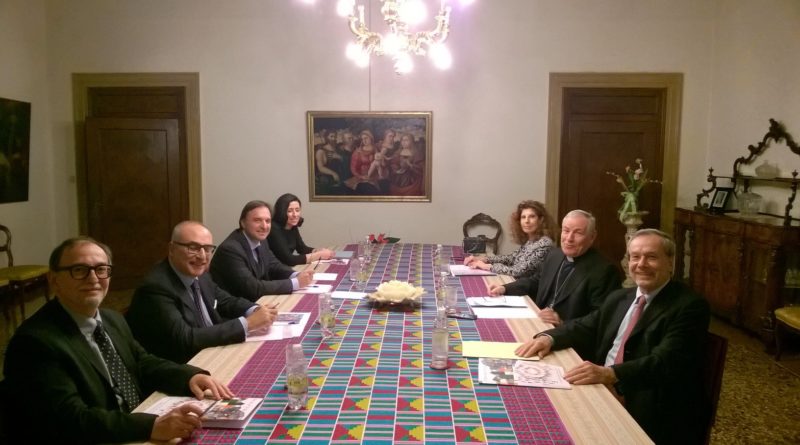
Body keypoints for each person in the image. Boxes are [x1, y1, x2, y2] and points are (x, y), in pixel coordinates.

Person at [2, 237, 234, 443]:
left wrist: (189, 376)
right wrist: (151, 426)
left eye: (101, 269)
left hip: (128, 425)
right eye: (79, 269)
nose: (93, 278)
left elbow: (142, 362)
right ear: (54, 280)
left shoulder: (112, 319)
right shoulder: (35, 343)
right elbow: (71, 419)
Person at [514, 229, 711, 445]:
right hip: (603, 387)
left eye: (651, 257)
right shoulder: (620, 297)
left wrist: (611, 374)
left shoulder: (689, 306)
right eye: (635, 257)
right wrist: (548, 338)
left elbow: (664, 361)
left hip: (649, 401)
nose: (641, 264)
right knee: (534, 412)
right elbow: (586, 325)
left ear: (670, 262)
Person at [127, 221, 278, 363]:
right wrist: (247, 324)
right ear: (172, 249)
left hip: (214, 349)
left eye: (207, 249)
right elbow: (186, 339)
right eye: (193, 247)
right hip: (186, 364)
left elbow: (225, 300)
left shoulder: (201, 274)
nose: (202, 256)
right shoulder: (155, 288)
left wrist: (254, 309)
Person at [489, 209, 620, 329]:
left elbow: (600, 318)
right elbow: (536, 281)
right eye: (566, 231)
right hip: (538, 321)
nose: (569, 238)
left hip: (568, 334)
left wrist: (561, 322)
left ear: (592, 236)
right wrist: (505, 288)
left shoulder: (604, 271)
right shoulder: (555, 255)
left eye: (578, 233)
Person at [210, 200, 313, 300]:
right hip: (236, 307)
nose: (264, 226)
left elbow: (274, 265)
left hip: (258, 301)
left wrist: (296, 275)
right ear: (243, 223)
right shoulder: (230, 249)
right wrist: (295, 283)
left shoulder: (261, 240)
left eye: (267, 221)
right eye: (257, 220)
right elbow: (253, 288)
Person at [463, 200, 556, 278]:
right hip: (516, 284)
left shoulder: (544, 243)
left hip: (528, 292)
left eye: (532, 216)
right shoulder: (531, 240)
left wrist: (488, 266)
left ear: (541, 220)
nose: (527, 221)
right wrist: (484, 259)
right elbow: (511, 258)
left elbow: (518, 272)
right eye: (523, 217)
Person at [267, 193, 335, 266]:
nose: (295, 214)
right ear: (281, 212)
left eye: (297, 210)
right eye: (290, 211)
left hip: (285, 268)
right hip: (273, 270)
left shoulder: (292, 226)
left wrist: (317, 250)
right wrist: (319, 255)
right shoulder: (273, 229)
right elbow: (289, 260)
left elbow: (302, 249)